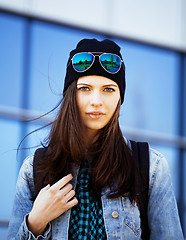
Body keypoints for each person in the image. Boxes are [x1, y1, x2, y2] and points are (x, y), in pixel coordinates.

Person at [7, 38, 184, 240]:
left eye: (109, 89)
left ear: (119, 98)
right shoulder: (33, 170)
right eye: (85, 88)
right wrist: (36, 222)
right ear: (70, 95)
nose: (97, 101)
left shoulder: (150, 167)